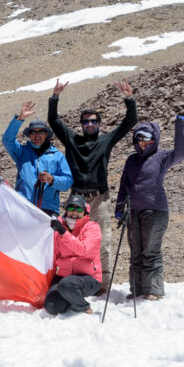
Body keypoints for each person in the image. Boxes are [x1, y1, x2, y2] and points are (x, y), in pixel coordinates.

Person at [48, 79, 138, 294]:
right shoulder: (72, 141)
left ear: (99, 123)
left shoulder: (106, 140)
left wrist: (129, 99)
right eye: (86, 121)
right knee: (71, 241)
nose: (90, 125)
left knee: (103, 242)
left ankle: (102, 285)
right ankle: (73, 280)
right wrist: (55, 97)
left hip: (100, 199)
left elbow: (130, 121)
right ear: (81, 124)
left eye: (94, 121)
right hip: (76, 201)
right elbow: (53, 120)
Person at [114, 116, 184, 301]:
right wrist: (119, 207)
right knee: (136, 252)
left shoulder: (162, 157)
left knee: (151, 250)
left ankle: (154, 290)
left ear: (154, 139)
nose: (143, 142)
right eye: (139, 138)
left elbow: (182, 152)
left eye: (147, 138)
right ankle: (137, 290)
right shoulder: (131, 160)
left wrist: (180, 125)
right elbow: (124, 183)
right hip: (133, 211)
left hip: (155, 211)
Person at [2, 101, 73, 216]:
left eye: (41, 132)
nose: (37, 135)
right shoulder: (22, 152)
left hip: (48, 209)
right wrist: (20, 119)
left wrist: (52, 180)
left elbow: (68, 182)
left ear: (46, 135)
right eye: (33, 132)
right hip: (23, 205)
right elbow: (7, 140)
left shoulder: (57, 156)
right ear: (29, 135)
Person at [43, 195, 102, 315]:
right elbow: (54, 256)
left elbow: (83, 250)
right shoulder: (60, 228)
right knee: (52, 306)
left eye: (79, 209)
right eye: (71, 208)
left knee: (67, 284)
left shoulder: (92, 227)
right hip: (65, 276)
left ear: (84, 211)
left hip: (88, 278)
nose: (74, 212)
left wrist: (64, 233)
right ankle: (70, 297)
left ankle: (84, 307)